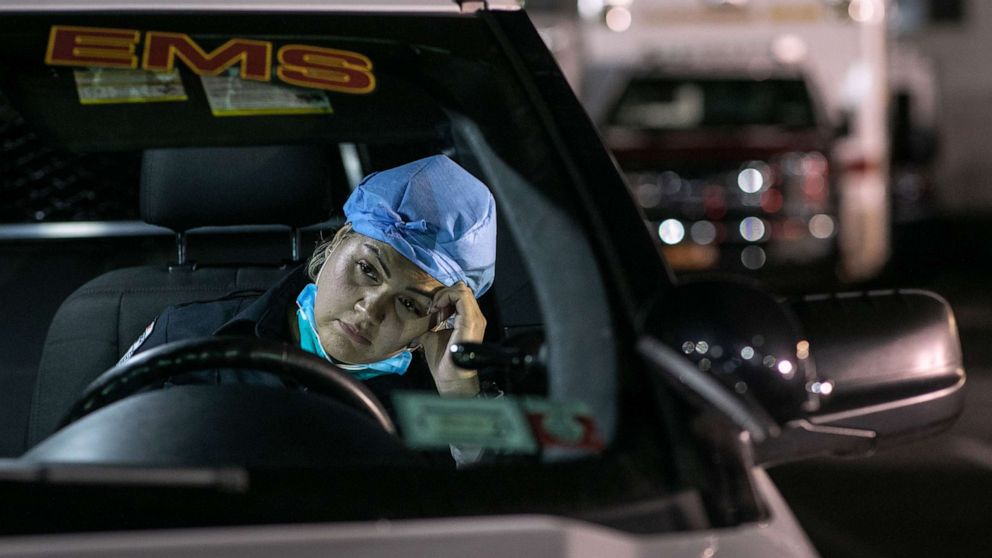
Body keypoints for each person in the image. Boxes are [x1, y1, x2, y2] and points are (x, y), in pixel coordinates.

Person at [122, 154, 497, 407]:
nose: (371, 309)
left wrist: (459, 392)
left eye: (410, 303)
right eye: (367, 269)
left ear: (435, 323)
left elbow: (498, 510)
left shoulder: (449, 396)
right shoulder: (186, 335)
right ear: (337, 242)